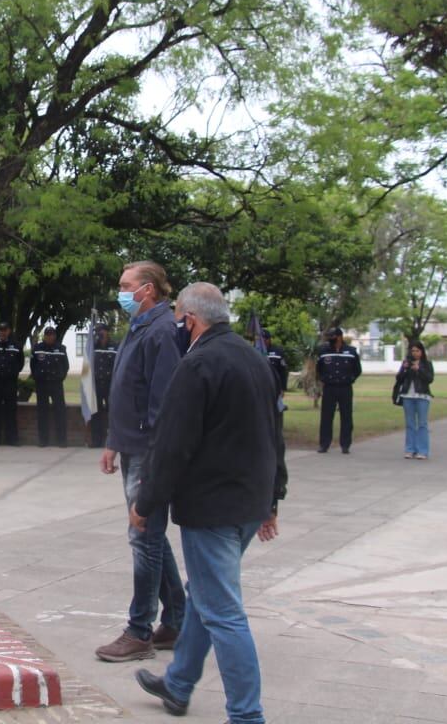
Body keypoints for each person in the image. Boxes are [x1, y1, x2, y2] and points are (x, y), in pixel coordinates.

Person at [131, 282, 287, 724]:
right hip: (247, 502)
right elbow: (274, 436)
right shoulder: (255, 359)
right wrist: (273, 498)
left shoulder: (197, 363)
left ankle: (246, 715)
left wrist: (146, 503)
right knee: (205, 595)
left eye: (180, 318)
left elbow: (172, 445)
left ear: (191, 320)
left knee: (223, 612)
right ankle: (178, 683)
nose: (178, 325)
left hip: (214, 507)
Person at [95, 261, 186, 663]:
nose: (121, 292)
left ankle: (139, 630)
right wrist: (114, 440)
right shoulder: (142, 326)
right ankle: (179, 620)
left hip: (149, 451)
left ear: (147, 289)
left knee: (143, 534)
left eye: (125, 286)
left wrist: (152, 461)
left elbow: (163, 402)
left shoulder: (163, 331)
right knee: (148, 535)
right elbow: (127, 389)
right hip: (131, 445)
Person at [315, 326, 361, 454]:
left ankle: (345, 445)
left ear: (340, 337)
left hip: (345, 387)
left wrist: (350, 379)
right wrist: (324, 379)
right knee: (326, 417)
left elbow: (357, 370)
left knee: (346, 416)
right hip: (329, 388)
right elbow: (319, 369)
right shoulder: (323, 351)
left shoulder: (351, 351)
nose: (330, 339)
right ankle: (324, 444)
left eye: (333, 337)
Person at [392, 340, 435, 459]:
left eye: (417, 350)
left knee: (422, 424)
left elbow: (429, 379)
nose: (415, 353)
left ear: (422, 352)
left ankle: (422, 450)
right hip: (408, 396)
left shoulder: (427, 364)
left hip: (422, 396)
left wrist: (419, 369)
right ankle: (410, 449)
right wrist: (405, 369)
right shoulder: (406, 363)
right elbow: (399, 378)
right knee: (410, 424)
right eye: (413, 351)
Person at [29, 326, 70, 447]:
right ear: (44, 336)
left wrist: (60, 377)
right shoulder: (37, 348)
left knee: (60, 412)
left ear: (55, 336)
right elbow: (33, 366)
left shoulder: (61, 349)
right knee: (42, 412)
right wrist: (37, 378)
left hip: (56, 384)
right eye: (47, 335)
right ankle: (43, 440)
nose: (50, 337)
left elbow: (65, 366)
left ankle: (62, 440)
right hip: (42, 384)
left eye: (52, 334)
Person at [89, 323, 117, 449]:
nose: (100, 334)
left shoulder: (115, 346)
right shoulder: (92, 346)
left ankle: (113, 441)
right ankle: (97, 440)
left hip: (111, 384)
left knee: (112, 413)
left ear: (107, 332)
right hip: (96, 384)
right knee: (96, 413)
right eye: (98, 332)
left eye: (102, 332)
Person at [262, 329, 288, 438]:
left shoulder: (278, 352)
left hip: (275, 387)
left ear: (268, 339)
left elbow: (283, 371)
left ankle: (277, 433)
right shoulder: (254, 350)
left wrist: (283, 388)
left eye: (264, 339)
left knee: (277, 411)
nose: (262, 341)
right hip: (261, 387)